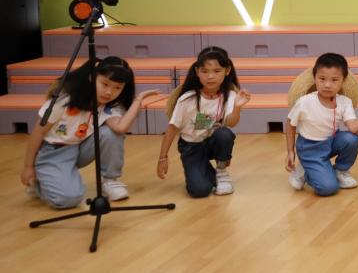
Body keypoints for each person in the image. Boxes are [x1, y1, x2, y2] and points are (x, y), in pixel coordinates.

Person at [20, 57, 158, 208]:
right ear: (92, 78)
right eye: (105, 84)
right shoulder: (64, 101)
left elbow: (120, 128)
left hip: (79, 148)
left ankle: (110, 181)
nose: (109, 92)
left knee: (111, 133)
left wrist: (138, 100)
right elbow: (38, 133)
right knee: (69, 199)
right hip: (54, 152)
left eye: (117, 88)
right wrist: (28, 167)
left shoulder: (107, 106)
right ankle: (41, 183)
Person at [284, 53, 358, 196]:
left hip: (330, 142)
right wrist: (290, 152)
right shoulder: (305, 102)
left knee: (351, 139)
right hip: (310, 147)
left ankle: (340, 171)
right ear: (314, 78)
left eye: (334, 80)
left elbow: (354, 128)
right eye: (322, 79)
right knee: (328, 188)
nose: (327, 85)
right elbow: (290, 123)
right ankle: (304, 171)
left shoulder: (344, 102)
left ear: (343, 81)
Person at [157, 46, 250, 197]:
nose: (210, 76)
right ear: (197, 71)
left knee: (224, 134)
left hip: (212, 142)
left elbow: (231, 123)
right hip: (191, 146)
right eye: (204, 71)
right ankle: (205, 172)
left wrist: (237, 107)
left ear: (227, 71)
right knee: (200, 190)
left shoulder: (230, 95)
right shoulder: (187, 99)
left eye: (217, 71)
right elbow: (172, 128)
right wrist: (163, 157)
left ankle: (221, 172)